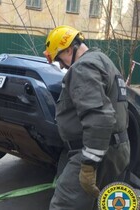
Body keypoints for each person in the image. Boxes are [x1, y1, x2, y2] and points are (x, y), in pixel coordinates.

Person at [44, 25, 130, 210]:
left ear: (69, 49)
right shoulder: (103, 61)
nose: (61, 65)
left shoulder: (83, 67)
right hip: (115, 149)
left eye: (60, 58)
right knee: (102, 204)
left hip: (94, 153)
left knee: (64, 205)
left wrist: (88, 165)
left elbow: (99, 118)